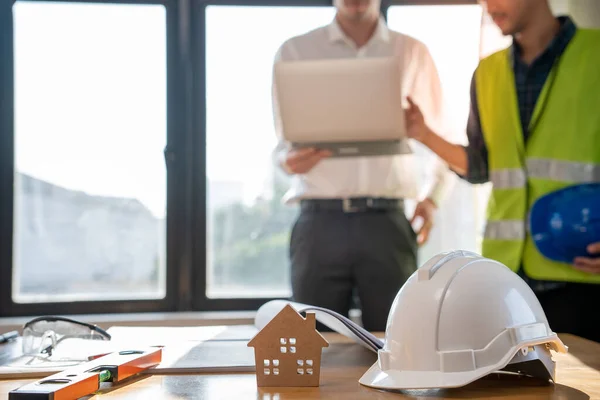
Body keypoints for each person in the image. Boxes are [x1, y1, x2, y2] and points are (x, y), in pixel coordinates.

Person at [404, 0, 600, 342]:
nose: (489, 6)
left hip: (582, 278)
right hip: (508, 285)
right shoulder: (488, 72)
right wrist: (423, 134)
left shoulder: (594, 54)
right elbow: (481, 166)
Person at [270, 0, 453, 332]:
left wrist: (431, 198)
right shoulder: (295, 50)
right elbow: (282, 145)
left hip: (387, 225)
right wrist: (288, 161)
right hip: (318, 225)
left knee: (398, 343)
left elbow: (439, 133)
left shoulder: (412, 51)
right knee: (314, 348)